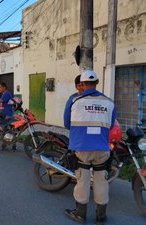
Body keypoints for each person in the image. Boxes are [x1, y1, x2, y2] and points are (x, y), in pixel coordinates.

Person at [63, 69, 116, 224]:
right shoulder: (109, 102)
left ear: (83, 84)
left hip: (82, 148)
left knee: (83, 180)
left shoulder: (74, 101)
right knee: (101, 181)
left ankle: (80, 214)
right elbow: (111, 125)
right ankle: (101, 216)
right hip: (101, 148)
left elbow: (67, 124)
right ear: (97, 83)